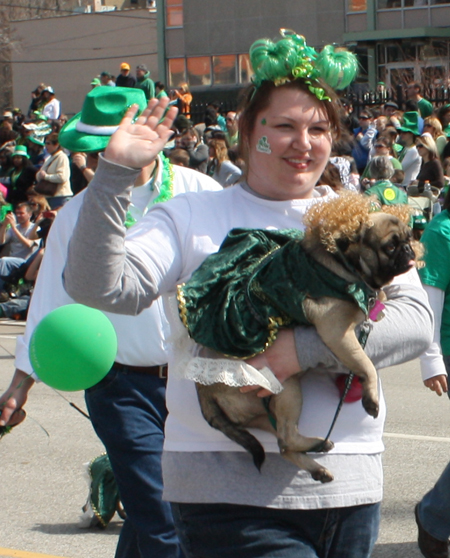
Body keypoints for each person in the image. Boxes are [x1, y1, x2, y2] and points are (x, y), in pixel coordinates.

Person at [63, 30, 433, 558]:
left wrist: (294, 353)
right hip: (227, 496)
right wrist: (115, 174)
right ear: (246, 130)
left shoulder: (358, 216)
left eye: (318, 128)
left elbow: (415, 323)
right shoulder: (193, 215)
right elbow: (98, 286)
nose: (303, 143)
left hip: (350, 488)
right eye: (283, 126)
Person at [0, 85, 220, 558]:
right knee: (163, 518)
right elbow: (49, 306)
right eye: (97, 151)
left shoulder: (200, 193)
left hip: (197, 383)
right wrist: (19, 386)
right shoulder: (78, 215)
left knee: (159, 517)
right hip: (120, 387)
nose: (105, 159)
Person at [415, 188, 450, 558]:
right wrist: (431, 357)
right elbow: (430, 297)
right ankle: (434, 516)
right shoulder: (441, 230)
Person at [36, 132, 72, 209]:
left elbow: (62, 177)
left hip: (60, 196)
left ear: (56, 145)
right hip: (49, 196)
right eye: (45, 143)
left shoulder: (62, 157)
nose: (46, 146)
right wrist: (40, 175)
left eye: (48, 144)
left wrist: (46, 176)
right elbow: (39, 175)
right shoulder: (49, 158)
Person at [397, 112, 422, 188]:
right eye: (401, 132)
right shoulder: (407, 148)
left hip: (407, 186)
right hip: (402, 185)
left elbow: (400, 168)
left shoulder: (414, 150)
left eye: (404, 132)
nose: (401, 134)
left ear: (411, 134)